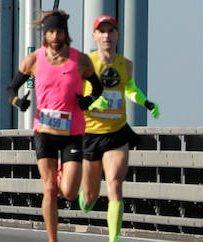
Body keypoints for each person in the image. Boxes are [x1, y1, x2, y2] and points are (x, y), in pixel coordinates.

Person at [8, 10, 101, 242]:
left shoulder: (80, 60)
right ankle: (53, 239)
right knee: (48, 188)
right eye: (50, 32)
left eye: (59, 31)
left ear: (65, 34)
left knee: (69, 192)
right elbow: (10, 88)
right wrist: (18, 102)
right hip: (44, 131)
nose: (55, 36)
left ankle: (62, 177)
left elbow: (98, 88)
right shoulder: (34, 60)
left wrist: (87, 101)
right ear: (45, 34)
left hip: (72, 132)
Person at [81, 14, 160, 242]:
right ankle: (86, 199)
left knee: (115, 182)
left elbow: (130, 89)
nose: (107, 35)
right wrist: (95, 101)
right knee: (90, 196)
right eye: (102, 31)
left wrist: (146, 102)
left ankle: (114, 239)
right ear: (95, 35)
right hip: (91, 133)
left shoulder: (126, 65)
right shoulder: (87, 63)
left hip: (116, 133)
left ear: (117, 35)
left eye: (111, 31)